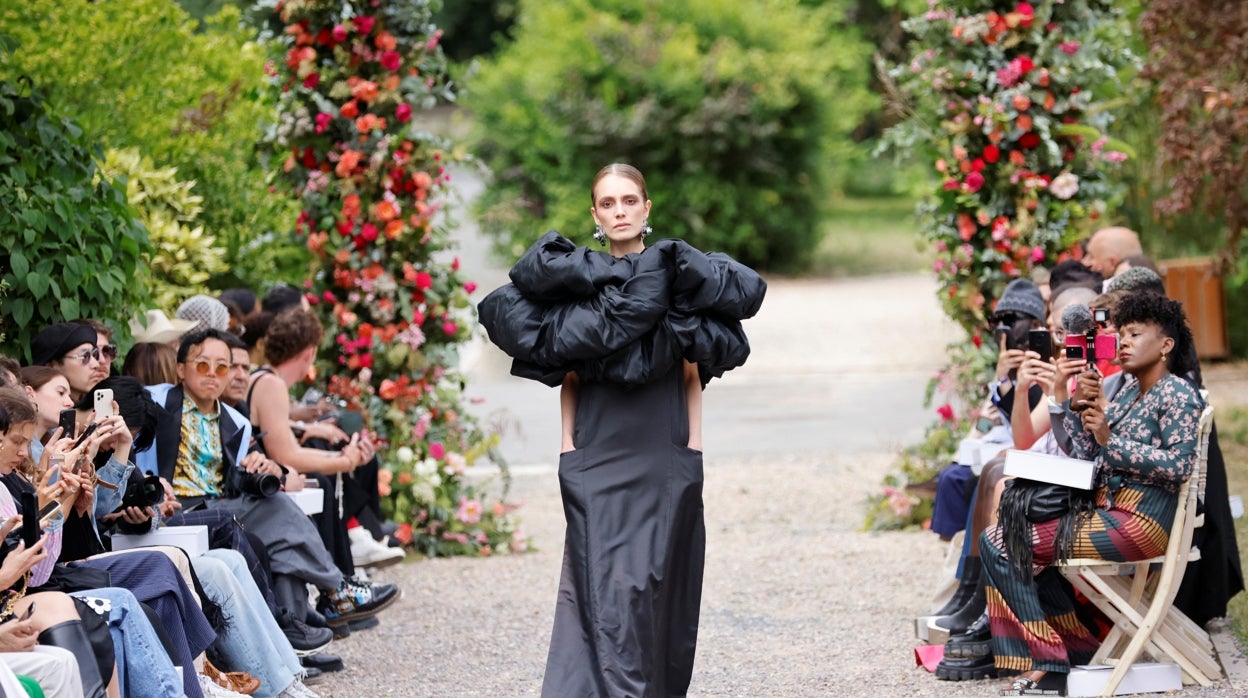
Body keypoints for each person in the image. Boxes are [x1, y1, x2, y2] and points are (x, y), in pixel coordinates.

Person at [478, 163, 767, 696]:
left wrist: (693, 446)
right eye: (608, 203)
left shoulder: (677, 280)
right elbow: (567, 371)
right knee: (604, 584)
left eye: (629, 201)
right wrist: (567, 448)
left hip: (663, 443)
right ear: (595, 214)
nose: (619, 212)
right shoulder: (576, 284)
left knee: (657, 580)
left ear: (646, 208)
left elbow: (692, 371)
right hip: (597, 445)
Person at [982, 292, 1204, 694]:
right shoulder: (1129, 392)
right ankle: (1074, 647)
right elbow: (1087, 453)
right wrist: (1071, 403)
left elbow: (1179, 466)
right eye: (1122, 335)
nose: (1124, 343)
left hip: (1141, 523)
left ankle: (1051, 659)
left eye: (1135, 334)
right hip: (1110, 513)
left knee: (1003, 544)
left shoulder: (1177, 394)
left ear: (1166, 345)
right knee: (1003, 537)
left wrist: (1108, 438)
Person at [135, 329, 398, 631]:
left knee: (283, 540)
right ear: (181, 369)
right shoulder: (154, 401)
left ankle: (297, 631)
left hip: (219, 505)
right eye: (203, 364)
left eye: (222, 367)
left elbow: (252, 469)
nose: (213, 374)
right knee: (280, 511)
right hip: (171, 507)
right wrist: (143, 481)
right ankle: (335, 593)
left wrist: (267, 468)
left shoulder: (237, 422)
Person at [30, 323, 103, 402]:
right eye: (85, 356)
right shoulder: (37, 408)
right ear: (51, 366)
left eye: (95, 355)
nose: (96, 364)